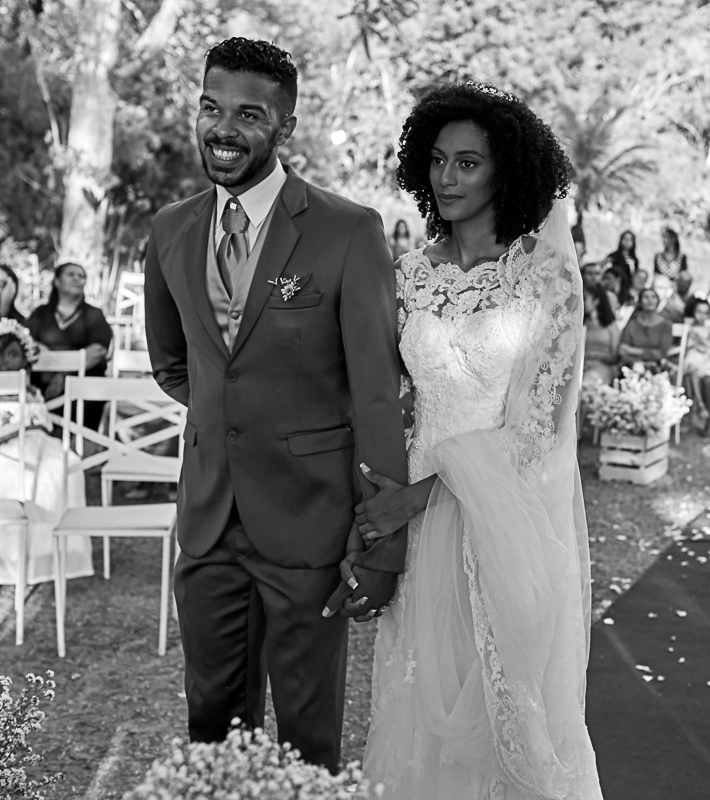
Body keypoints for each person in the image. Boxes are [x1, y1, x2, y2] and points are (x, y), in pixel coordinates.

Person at [142, 38, 408, 772]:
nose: (222, 129)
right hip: (207, 520)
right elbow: (177, 365)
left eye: (249, 115)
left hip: (309, 523)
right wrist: (237, 424)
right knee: (210, 732)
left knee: (306, 741)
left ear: (285, 126)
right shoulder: (169, 231)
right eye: (210, 108)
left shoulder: (348, 231)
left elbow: (376, 396)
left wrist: (381, 546)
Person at [348, 81, 603, 798]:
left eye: (468, 163)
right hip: (414, 522)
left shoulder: (544, 276)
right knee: (415, 699)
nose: (448, 178)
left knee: (503, 709)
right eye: (437, 161)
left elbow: (536, 431)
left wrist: (414, 501)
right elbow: (384, 395)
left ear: (506, 171)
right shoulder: (409, 275)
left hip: (501, 521)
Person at [0, 319, 92, 591]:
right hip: (6, 447)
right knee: (10, 473)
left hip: (35, 441)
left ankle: (51, 555)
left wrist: (21, 422)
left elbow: (41, 421)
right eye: (2, 355)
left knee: (60, 469)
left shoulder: (30, 392)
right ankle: (10, 557)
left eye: (14, 355)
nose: (6, 362)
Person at [25, 261, 114, 431]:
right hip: (41, 384)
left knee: (90, 400)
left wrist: (65, 373)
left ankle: (83, 454)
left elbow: (98, 350)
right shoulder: (40, 314)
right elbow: (27, 342)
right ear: (57, 281)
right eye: (71, 274)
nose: (77, 279)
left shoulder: (94, 315)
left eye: (81, 276)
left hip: (83, 387)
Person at [681, 298, 710, 432]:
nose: (701, 316)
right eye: (698, 312)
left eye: (705, 312)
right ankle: (700, 406)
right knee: (691, 373)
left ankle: (704, 415)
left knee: (707, 380)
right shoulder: (687, 326)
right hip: (691, 359)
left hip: (706, 361)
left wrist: (699, 339)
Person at [619, 287, 673, 370]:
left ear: (657, 301)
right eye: (646, 297)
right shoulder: (632, 324)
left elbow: (661, 353)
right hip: (633, 365)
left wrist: (632, 350)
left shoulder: (666, 325)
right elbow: (622, 349)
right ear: (640, 302)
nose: (650, 300)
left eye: (653, 297)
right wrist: (635, 361)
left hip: (657, 367)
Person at [583, 282, 620, 385]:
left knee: (589, 380)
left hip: (603, 366)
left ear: (596, 301)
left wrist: (596, 356)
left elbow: (615, 356)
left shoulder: (610, 326)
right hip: (581, 365)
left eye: (585, 299)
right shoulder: (579, 324)